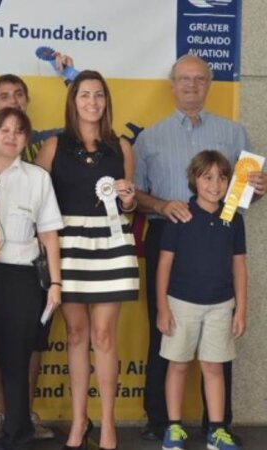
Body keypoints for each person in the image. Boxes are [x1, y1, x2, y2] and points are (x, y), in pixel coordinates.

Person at [134, 54, 266, 443]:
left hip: (218, 238)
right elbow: (134, 194)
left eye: (199, 79)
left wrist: (259, 191)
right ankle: (160, 421)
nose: (192, 85)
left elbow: (244, 197)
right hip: (168, 239)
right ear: (172, 84)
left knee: (217, 344)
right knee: (164, 330)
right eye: (184, 79)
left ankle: (217, 425)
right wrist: (160, 205)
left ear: (209, 85)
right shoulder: (149, 137)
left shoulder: (234, 133)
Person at [35, 70, 138, 450]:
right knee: (77, 335)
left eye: (98, 95)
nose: (92, 102)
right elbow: (40, 204)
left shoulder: (122, 147)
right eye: (84, 95)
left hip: (111, 244)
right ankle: (80, 422)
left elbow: (129, 205)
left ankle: (108, 424)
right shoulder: (53, 145)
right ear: (73, 101)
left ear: (106, 100)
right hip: (68, 246)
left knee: (104, 337)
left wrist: (128, 199)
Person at [0, 70, 72, 442]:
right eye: (4, 129)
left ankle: (18, 425)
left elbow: (49, 233)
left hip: (22, 276)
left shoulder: (37, 176)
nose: (11, 136)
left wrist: (56, 283)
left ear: (26, 137)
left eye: (19, 131)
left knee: (20, 353)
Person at [157, 151, 245, 450]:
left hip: (221, 305)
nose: (215, 184)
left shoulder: (234, 218)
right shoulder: (180, 215)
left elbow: (239, 266)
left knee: (214, 367)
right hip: (181, 304)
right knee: (178, 365)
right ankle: (174, 427)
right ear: (195, 179)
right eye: (207, 177)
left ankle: (217, 430)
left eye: (222, 177)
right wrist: (162, 308)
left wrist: (241, 309)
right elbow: (164, 265)